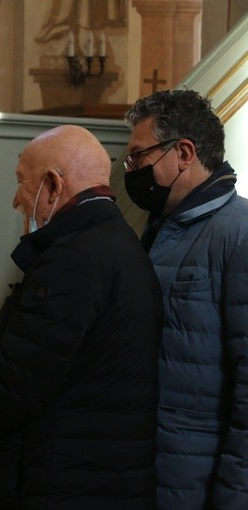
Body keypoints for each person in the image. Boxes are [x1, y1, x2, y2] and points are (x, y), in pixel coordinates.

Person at [0, 125, 163, 509]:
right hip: (102, 479)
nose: (14, 200)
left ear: (54, 185)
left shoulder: (73, 260)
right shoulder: (118, 243)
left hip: (68, 486)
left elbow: (19, 387)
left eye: (22, 183)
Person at [124, 89, 248, 509]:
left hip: (198, 481)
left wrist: (233, 498)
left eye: (139, 157)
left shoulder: (239, 234)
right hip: (149, 471)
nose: (132, 170)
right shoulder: (159, 228)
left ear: (184, 153)